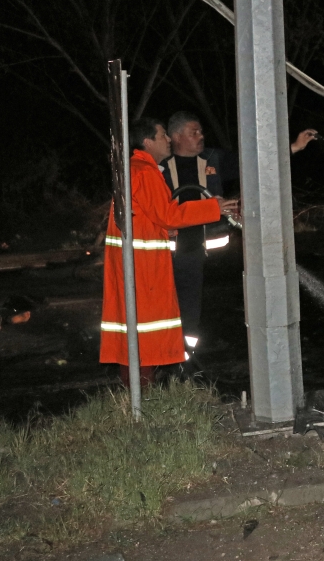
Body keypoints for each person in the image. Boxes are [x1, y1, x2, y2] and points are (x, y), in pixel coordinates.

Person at [162, 111, 317, 353]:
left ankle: (210, 353)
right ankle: (182, 359)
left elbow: (256, 163)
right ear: (177, 136)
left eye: (201, 131)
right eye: (195, 132)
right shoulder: (160, 169)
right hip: (177, 253)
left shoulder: (214, 158)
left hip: (216, 255)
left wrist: (294, 147)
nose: (201, 136)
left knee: (216, 307)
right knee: (180, 307)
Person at [100, 117, 239, 387]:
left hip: (136, 263)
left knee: (138, 329)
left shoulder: (136, 169)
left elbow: (148, 217)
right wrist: (214, 208)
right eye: (163, 135)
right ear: (147, 141)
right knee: (146, 329)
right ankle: (141, 393)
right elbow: (168, 215)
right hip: (143, 267)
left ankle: (140, 392)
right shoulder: (145, 171)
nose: (168, 140)